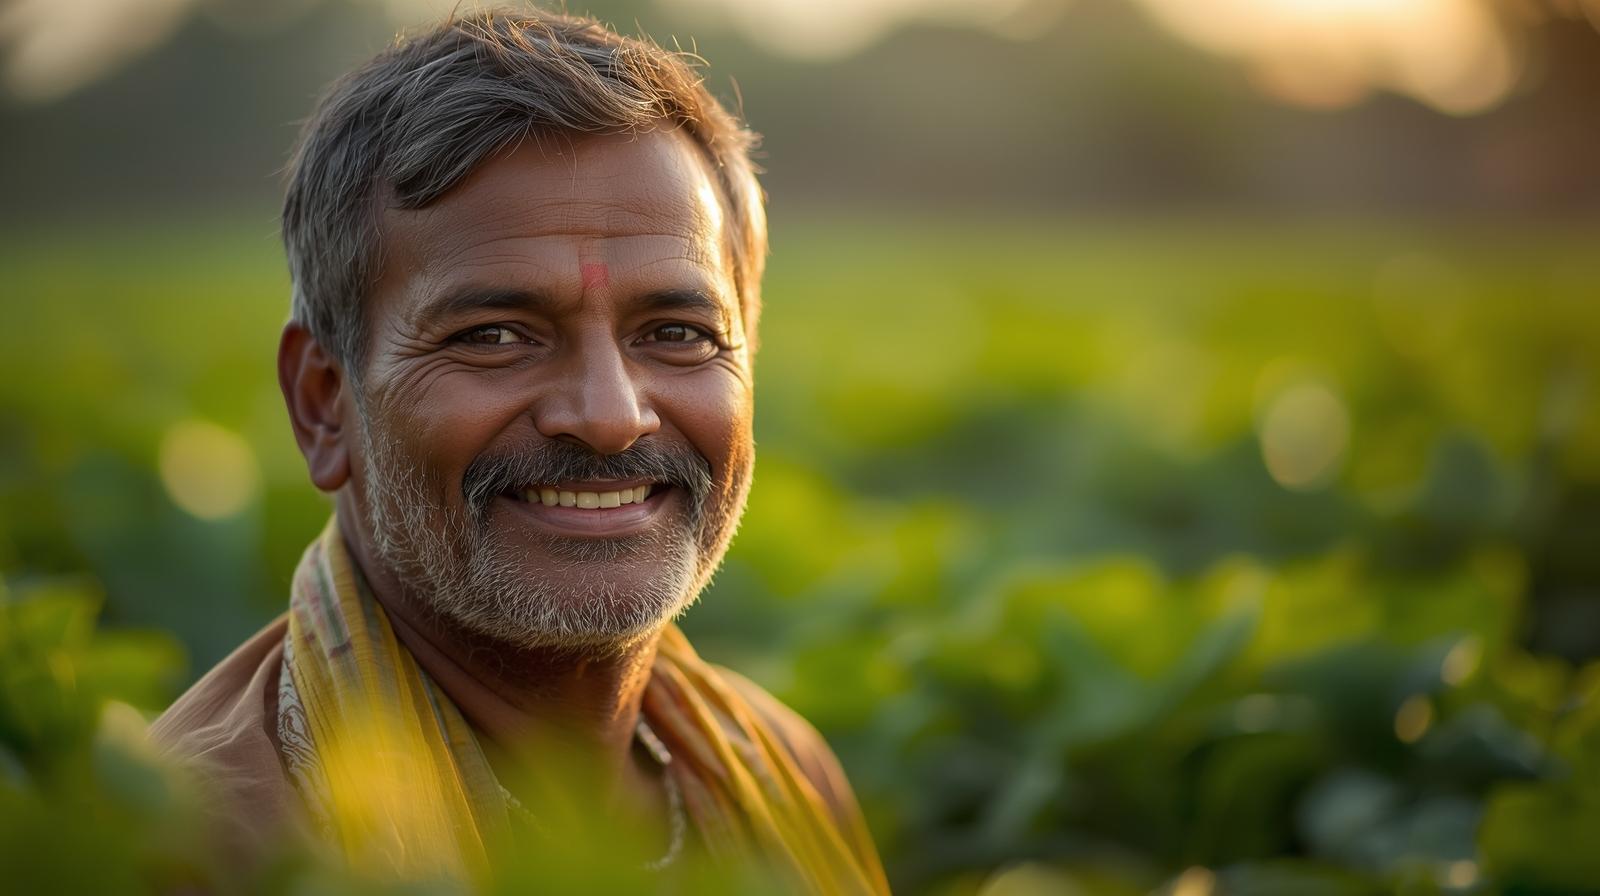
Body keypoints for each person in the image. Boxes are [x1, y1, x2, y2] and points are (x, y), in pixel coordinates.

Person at [150, 8, 889, 893]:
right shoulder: (203, 847)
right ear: (322, 403)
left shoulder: (784, 773)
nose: (611, 417)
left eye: (679, 333)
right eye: (497, 335)